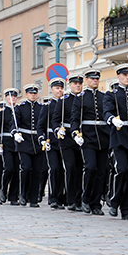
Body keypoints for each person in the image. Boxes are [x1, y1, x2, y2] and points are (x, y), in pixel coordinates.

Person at [104, 63, 128, 220]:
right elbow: (106, 111)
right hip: (119, 137)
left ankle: (127, 208)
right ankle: (114, 201)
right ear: (118, 76)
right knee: (122, 169)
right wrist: (112, 119)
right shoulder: (111, 94)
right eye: (125, 75)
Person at [71, 69, 109, 216]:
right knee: (90, 167)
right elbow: (75, 118)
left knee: (101, 172)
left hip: (103, 137)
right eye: (92, 78)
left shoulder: (103, 97)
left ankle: (96, 203)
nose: (95, 81)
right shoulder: (80, 97)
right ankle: (85, 198)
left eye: (97, 78)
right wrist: (75, 133)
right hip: (88, 137)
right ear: (86, 80)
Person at [52, 74, 84, 212]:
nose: (78, 85)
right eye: (75, 83)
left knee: (80, 169)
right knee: (70, 168)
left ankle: (80, 199)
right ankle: (71, 200)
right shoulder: (64, 101)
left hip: (82, 137)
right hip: (67, 139)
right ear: (70, 85)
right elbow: (55, 120)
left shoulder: (85, 98)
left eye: (80, 83)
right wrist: (58, 129)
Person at [12, 84, 44, 207]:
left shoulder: (41, 107)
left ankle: (34, 198)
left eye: (35, 93)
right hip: (24, 141)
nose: (33, 95)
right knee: (26, 168)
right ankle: (23, 193)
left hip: (37, 141)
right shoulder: (20, 108)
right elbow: (14, 123)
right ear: (26, 94)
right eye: (30, 93)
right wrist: (15, 133)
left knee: (37, 171)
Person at [37, 78, 66, 209]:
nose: (59, 90)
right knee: (54, 169)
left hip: (65, 142)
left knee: (64, 170)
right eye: (57, 88)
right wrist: (42, 139)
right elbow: (40, 126)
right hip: (51, 142)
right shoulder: (47, 106)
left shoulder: (66, 103)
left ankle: (61, 197)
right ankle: (53, 197)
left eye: (61, 88)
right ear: (52, 90)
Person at [0, 88, 20, 205]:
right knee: (8, 168)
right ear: (6, 98)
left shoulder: (19, 110)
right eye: (10, 96)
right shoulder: (1, 112)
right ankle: (3, 190)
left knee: (16, 170)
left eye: (14, 96)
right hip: (6, 142)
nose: (13, 98)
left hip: (18, 143)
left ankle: (13, 196)